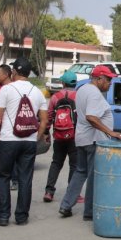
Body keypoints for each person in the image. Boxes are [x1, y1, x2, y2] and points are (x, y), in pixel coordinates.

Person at [58, 65, 121, 220]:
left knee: (80, 172)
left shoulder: (82, 89)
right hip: (94, 140)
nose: (110, 83)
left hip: (82, 138)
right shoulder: (95, 94)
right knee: (93, 176)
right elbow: (91, 117)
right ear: (99, 78)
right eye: (108, 79)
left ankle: (65, 205)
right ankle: (89, 212)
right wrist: (110, 132)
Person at [0, 56, 48, 226]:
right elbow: (44, 120)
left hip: (8, 139)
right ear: (29, 73)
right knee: (25, 178)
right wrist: (36, 137)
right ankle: (21, 216)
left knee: (2, 177)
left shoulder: (6, 89)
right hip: (29, 141)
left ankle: (3, 215)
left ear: (14, 71)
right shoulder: (38, 92)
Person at [43, 70, 78, 203]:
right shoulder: (79, 96)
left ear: (63, 83)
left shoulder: (55, 97)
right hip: (74, 136)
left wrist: (46, 133)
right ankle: (71, 192)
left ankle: (49, 191)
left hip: (58, 135)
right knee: (74, 165)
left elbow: (49, 116)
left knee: (56, 163)